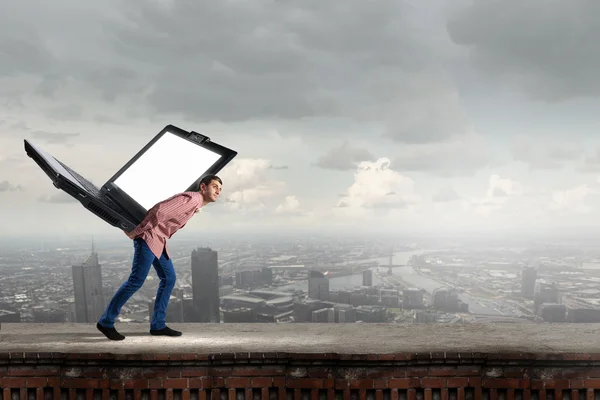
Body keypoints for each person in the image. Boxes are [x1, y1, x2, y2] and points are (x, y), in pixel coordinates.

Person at [96, 175, 223, 341]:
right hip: (149, 237)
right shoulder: (192, 199)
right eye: (215, 186)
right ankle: (106, 322)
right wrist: (138, 230)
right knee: (136, 281)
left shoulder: (195, 204)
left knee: (169, 278)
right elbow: (160, 211)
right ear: (203, 187)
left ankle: (158, 325)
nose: (218, 191)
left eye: (220, 189)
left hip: (159, 240)